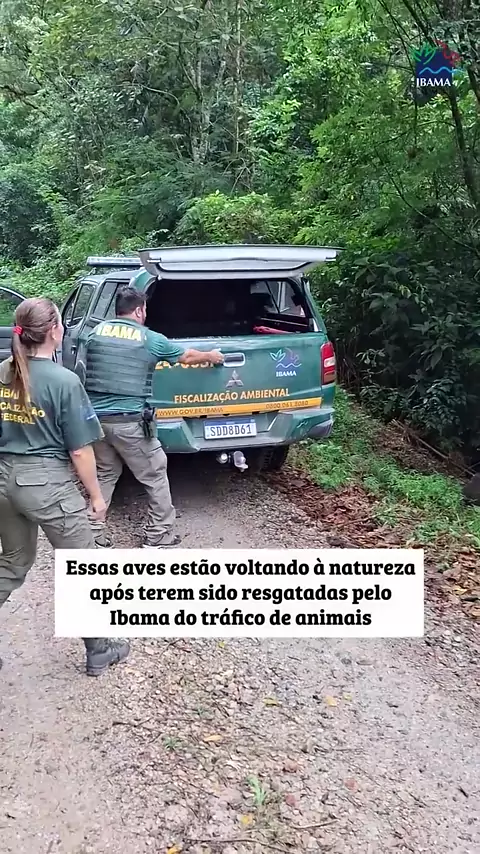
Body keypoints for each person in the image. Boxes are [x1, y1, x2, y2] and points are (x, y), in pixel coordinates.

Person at [0, 297, 130, 676]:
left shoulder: (1, 371)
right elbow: (79, 450)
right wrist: (96, 496)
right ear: (55, 331)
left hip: (3, 481)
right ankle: (100, 649)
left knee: (13, 562)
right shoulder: (64, 381)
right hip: (46, 484)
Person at [83, 285, 224, 548]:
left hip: (96, 422)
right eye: (145, 309)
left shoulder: (95, 333)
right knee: (155, 474)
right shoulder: (149, 338)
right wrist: (211, 356)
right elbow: (186, 357)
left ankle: (91, 536)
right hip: (129, 422)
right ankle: (158, 535)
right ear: (139, 310)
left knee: (104, 474)